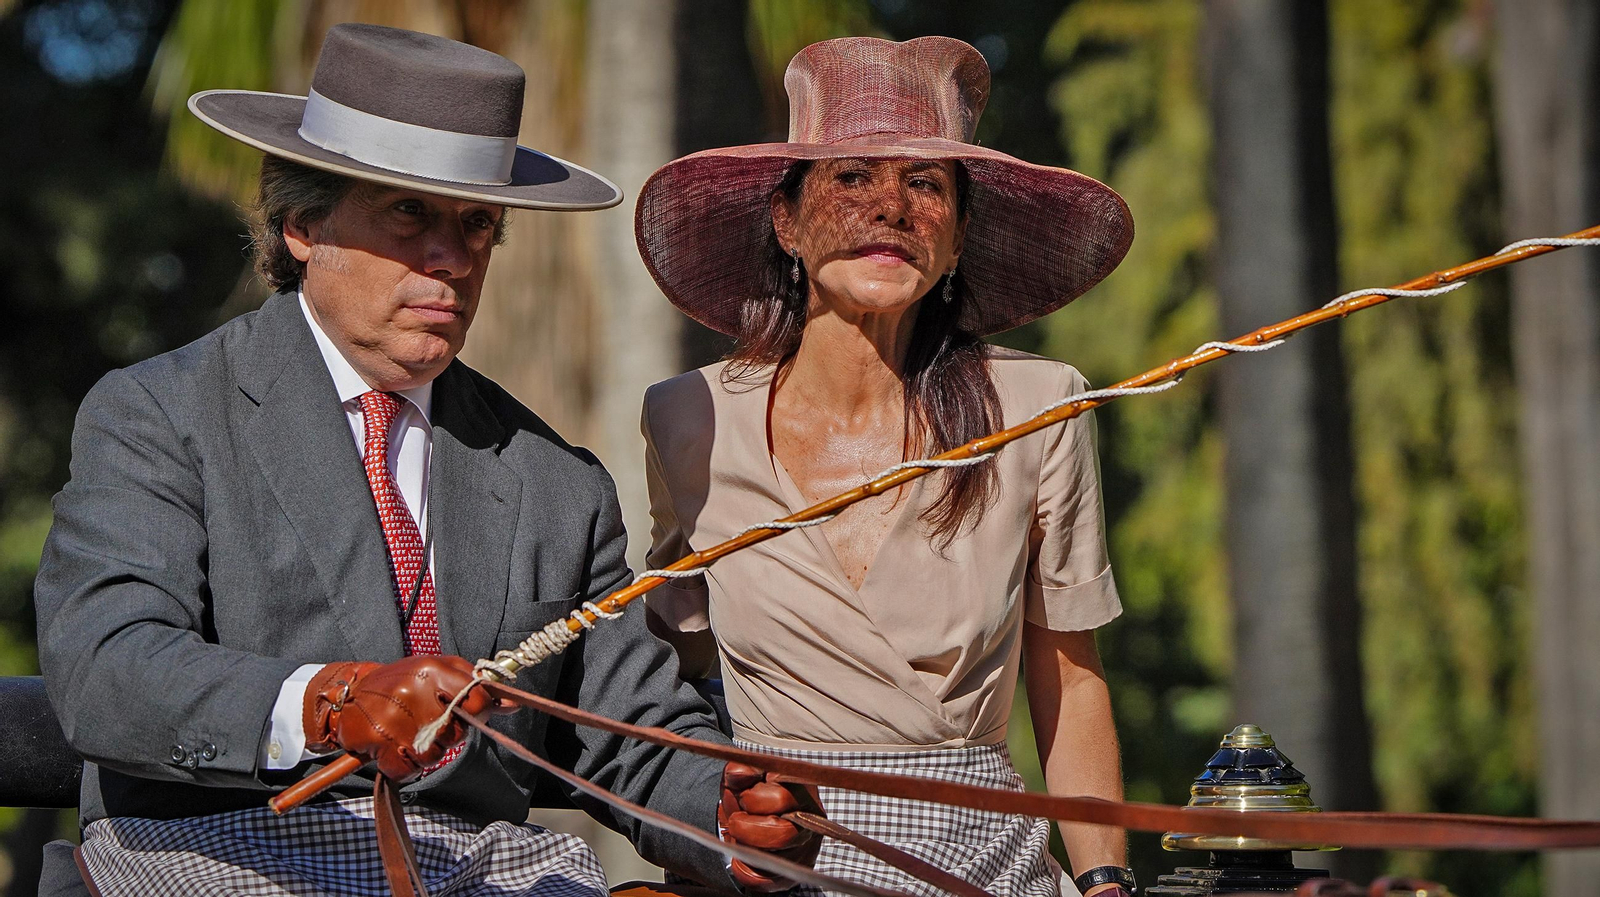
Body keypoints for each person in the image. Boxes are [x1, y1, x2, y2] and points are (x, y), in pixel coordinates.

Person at [33, 23, 811, 897]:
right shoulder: (159, 414)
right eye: (409, 212)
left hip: (478, 869)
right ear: (301, 223)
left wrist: (727, 812)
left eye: (477, 223)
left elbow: (630, 726)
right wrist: (332, 701)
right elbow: (109, 667)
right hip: (216, 855)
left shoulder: (558, 483)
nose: (454, 259)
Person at [633, 36, 1136, 897]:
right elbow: (670, 671)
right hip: (777, 865)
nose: (892, 207)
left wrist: (1106, 885)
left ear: (958, 237)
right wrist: (720, 823)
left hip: (982, 866)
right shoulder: (690, 416)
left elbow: (1070, 679)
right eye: (853, 176)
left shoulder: (1040, 408)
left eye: (927, 184)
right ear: (787, 221)